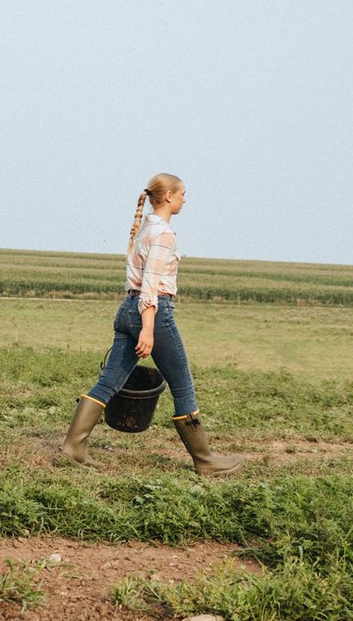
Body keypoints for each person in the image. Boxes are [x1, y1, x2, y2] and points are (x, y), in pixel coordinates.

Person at [54, 173, 243, 476]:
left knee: (109, 381)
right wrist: (148, 326)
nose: (185, 199)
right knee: (182, 385)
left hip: (126, 308)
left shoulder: (144, 230)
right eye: (183, 194)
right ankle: (205, 460)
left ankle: (72, 448)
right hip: (151, 311)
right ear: (168, 195)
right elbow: (152, 285)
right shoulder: (164, 234)